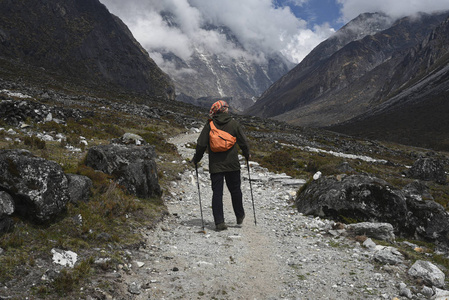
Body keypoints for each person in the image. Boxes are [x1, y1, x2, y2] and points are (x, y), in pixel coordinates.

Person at [192, 100, 250, 231]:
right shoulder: (234, 124)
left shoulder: (210, 125)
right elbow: (243, 142)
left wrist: (196, 159)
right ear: (224, 110)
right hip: (232, 165)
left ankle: (219, 222)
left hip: (216, 166)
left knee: (217, 193)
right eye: (227, 108)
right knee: (235, 190)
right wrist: (247, 155)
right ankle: (239, 216)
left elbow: (201, 144)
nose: (228, 109)